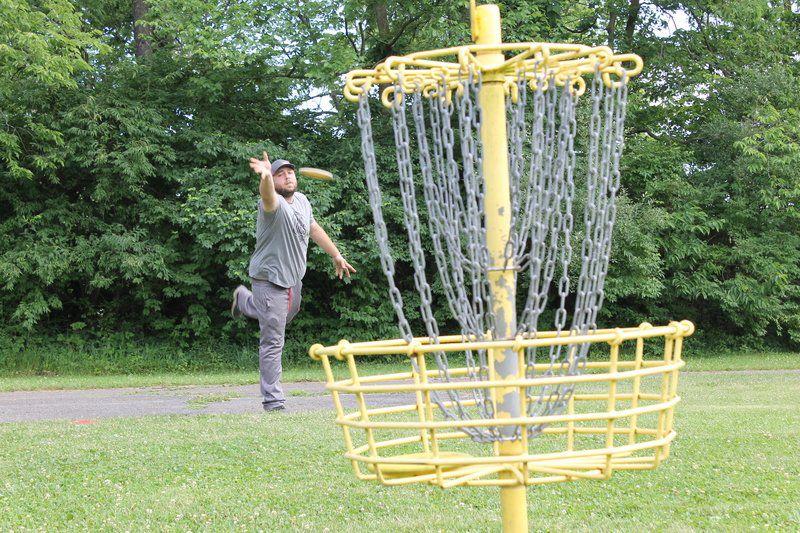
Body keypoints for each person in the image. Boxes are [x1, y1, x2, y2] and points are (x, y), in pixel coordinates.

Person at [231, 152, 355, 411]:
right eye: (280, 173)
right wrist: (265, 177)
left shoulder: (302, 201)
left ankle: (245, 301)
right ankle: (273, 400)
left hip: (293, 280)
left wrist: (336, 255)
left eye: (290, 172)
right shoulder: (272, 205)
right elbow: (266, 195)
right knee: (273, 339)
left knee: (283, 316)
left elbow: (314, 229)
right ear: (273, 181)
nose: (287, 176)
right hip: (269, 279)